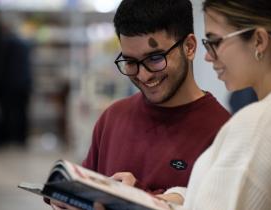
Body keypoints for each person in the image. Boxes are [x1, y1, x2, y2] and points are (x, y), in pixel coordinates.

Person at [50, 0, 230, 209]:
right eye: (131, 62)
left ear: (189, 47)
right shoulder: (113, 117)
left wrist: (135, 196)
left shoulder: (223, 132)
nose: (143, 75)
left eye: (154, 58)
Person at [159, 0, 271, 209]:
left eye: (215, 41)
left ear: (259, 40)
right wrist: (179, 197)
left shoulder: (258, 124)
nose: (208, 56)